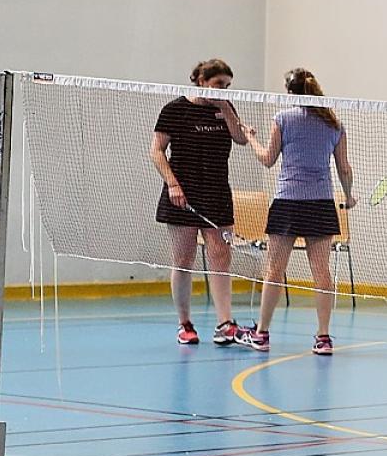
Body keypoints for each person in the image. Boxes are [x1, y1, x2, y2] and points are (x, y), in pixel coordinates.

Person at [239, 69, 355, 357]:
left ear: (290, 92)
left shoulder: (283, 119)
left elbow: (267, 159)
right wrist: (349, 195)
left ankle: (261, 334)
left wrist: (250, 138)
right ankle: (323, 337)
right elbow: (344, 168)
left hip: (288, 202)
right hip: (320, 203)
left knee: (274, 270)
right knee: (322, 273)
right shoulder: (334, 123)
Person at [150, 58, 248, 346]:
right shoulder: (175, 109)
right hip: (182, 194)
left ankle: (225, 324)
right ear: (202, 81)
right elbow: (156, 151)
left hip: (217, 194)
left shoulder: (225, 108)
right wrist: (173, 184)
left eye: (227, 86)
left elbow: (241, 138)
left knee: (221, 256)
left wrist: (225, 106)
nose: (223, 90)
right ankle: (185, 324)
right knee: (183, 260)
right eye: (219, 85)